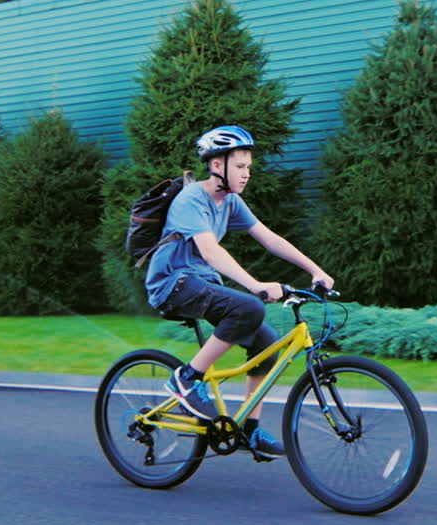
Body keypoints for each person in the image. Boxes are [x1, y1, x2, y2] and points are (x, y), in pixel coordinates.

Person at [143, 125, 334, 460]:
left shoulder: (230, 201)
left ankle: (250, 430)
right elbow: (210, 251)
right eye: (241, 166)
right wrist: (256, 285)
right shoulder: (191, 200)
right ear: (218, 165)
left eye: (249, 167)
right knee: (249, 307)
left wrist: (316, 270)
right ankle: (187, 379)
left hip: (201, 283)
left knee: (266, 340)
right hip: (172, 283)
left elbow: (269, 238)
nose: (247, 174)